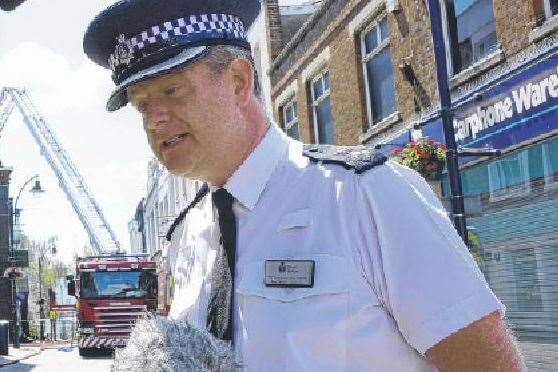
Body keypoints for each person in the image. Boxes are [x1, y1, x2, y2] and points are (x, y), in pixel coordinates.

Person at [83, 0, 525, 371]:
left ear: (239, 81)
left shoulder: (365, 195)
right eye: (142, 106)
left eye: (173, 91)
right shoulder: (186, 235)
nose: (155, 119)